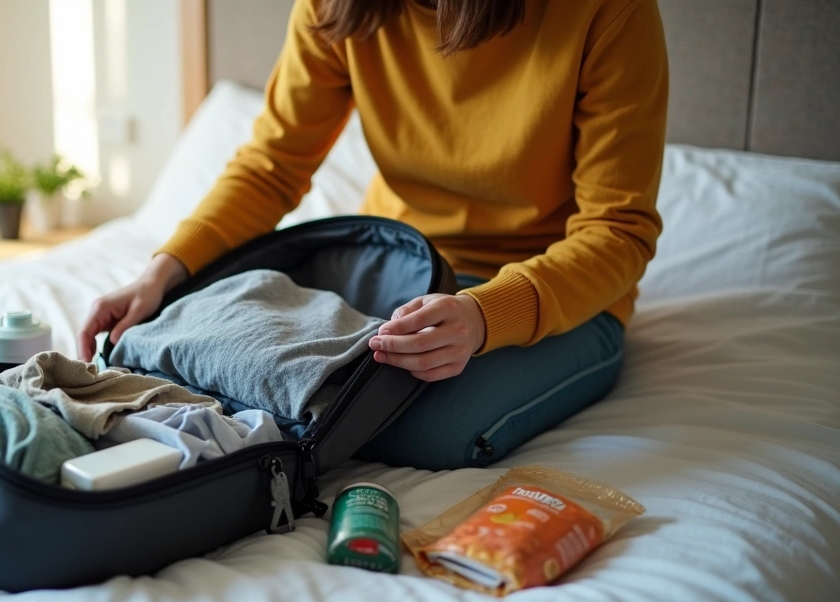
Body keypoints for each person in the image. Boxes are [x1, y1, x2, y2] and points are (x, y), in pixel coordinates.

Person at [78, 0, 668, 470]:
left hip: (551, 291)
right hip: (400, 257)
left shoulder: (607, 10)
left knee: (424, 427)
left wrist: (484, 315)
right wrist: (162, 272)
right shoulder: (337, 6)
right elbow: (272, 166)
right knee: (176, 345)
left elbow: (618, 231)